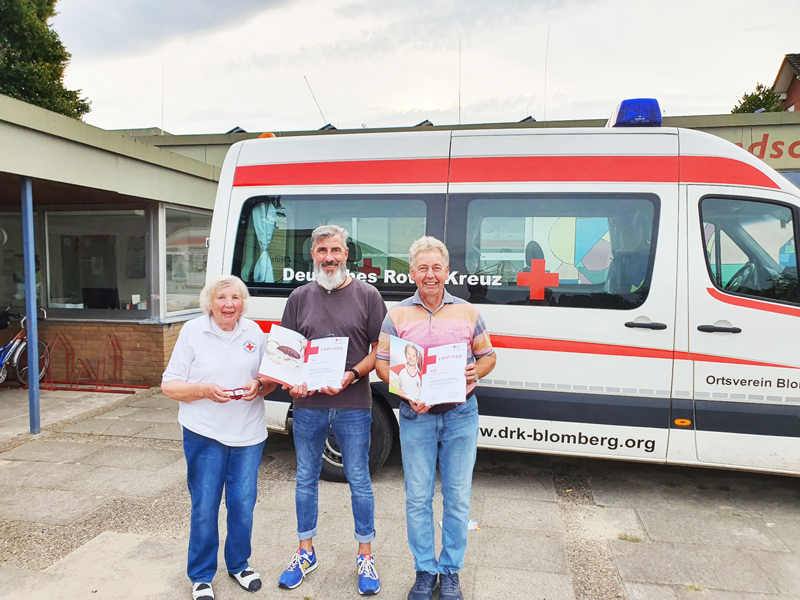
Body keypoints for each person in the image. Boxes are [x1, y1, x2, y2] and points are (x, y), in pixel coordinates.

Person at [376, 236, 496, 600]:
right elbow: (382, 363)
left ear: (447, 272)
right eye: (422, 268)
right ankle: (425, 571)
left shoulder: (469, 312)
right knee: (417, 498)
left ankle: (451, 571)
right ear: (411, 272)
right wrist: (405, 389)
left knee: (458, 498)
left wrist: (477, 372)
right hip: (416, 415)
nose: (430, 275)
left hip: (461, 414)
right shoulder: (395, 315)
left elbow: (488, 356)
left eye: (436, 268)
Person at [276, 224, 387, 596]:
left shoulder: (368, 296)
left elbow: (379, 350)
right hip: (307, 405)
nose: (329, 258)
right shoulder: (299, 297)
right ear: (313, 255)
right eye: (322, 251)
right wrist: (292, 379)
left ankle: (365, 555)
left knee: (359, 479)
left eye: (335, 250)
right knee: (306, 477)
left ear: (346, 254)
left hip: (353, 403)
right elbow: (286, 352)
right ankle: (305, 551)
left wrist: (352, 374)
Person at [162, 275, 276, 600]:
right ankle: (200, 575)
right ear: (210, 302)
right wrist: (203, 391)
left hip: (248, 434)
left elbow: (269, 380)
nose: (229, 305)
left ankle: (239, 564)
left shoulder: (254, 332)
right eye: (222, 298)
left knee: (242, 505)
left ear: (243, 303)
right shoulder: (192, 332)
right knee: (205, 505)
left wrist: (262, 385)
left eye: (236, 298)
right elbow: (169, 386)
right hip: (205, 433)